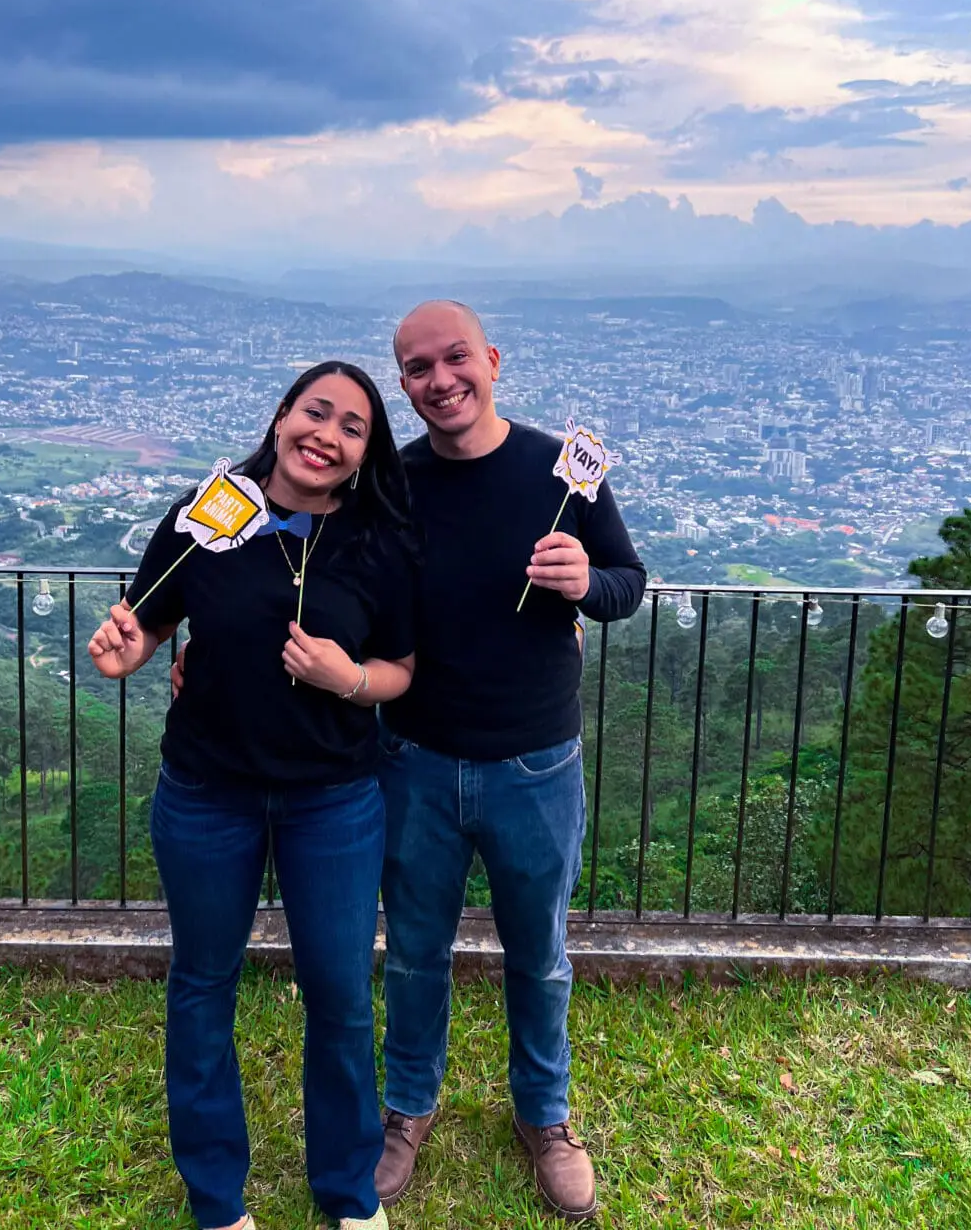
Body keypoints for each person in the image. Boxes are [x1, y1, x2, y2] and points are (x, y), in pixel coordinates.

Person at [89, 361, 416, 1230]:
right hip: (206, 792)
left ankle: (349, 1194)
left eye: (353, 427)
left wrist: (350, 678)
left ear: (362, 455)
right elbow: (150, 619)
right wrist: (132, 650)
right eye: (317, 413)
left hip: (335, 801)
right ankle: (216, 1201)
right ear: (279, 419)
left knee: (341, 995)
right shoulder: (211, 514)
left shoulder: (375, 538)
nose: (329, 435)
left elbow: (403, 668)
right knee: (203, 984)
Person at [375, 300, 645, 1221]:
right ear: (401, 383)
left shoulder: (557, 472)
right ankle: (407, 1107)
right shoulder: (396, 482)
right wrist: (195, 639)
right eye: (419, 368)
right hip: (414, 758)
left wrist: (587, 581)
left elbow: (628, 582)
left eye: (457, 359)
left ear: (492, 359)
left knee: (541, 955)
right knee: (414, 954)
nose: (442, 380)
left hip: (536, 762)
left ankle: (546, 1116)